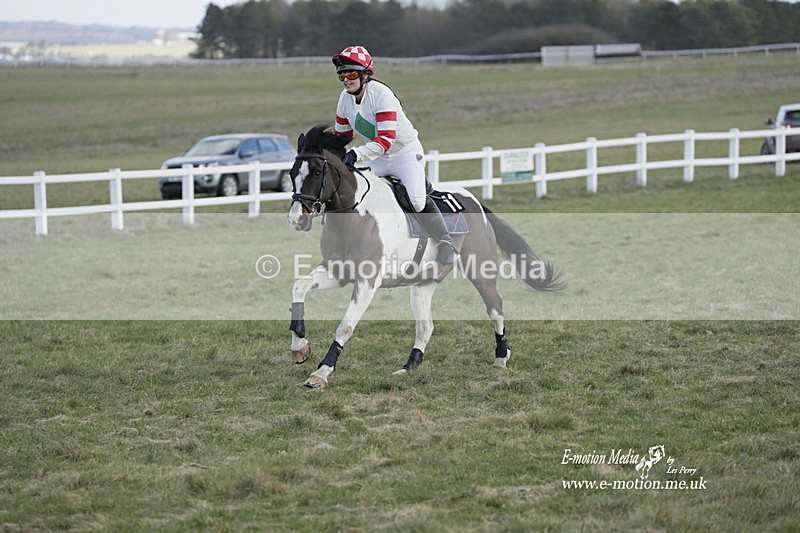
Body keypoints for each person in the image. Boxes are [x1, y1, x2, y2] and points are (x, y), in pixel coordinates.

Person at [331, 45, 457, 266]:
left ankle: (446, 242)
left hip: (404, 153)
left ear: (365, 74)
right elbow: (341, 136)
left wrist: (357, 154)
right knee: (360, 191)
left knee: (417, 202)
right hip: (378, 156)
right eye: (342, 75)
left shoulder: (382, 95)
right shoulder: (344, 99)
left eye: (351, 73)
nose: (346, 79)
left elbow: (386, 140)